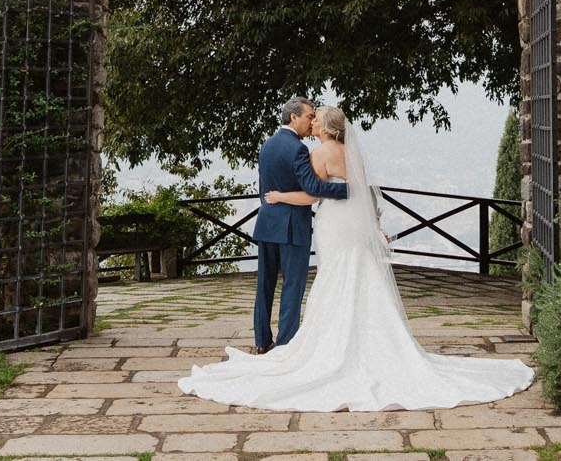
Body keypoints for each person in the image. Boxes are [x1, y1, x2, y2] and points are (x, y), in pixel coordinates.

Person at [178, 106, 533, 410]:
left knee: (328, 277)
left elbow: (313, 194)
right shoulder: (352, 154)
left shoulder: (311, 153)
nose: (312, 122)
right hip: (353, 225)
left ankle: (300, 344)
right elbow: (363, 193)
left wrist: (280, 197)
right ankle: (371, 342)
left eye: (316, 119)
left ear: (325, 127)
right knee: (357, 275)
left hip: (329, 223)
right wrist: (359, 202)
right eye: (309, 117)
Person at [249, 94, 348, 352]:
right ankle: (285, 344)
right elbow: (313, 188)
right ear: (294, 117)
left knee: (265, 285)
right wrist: (348, 191)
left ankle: (261, 341)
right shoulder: (298, 149)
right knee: (292, 285)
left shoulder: (267, 146)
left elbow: (264, 189)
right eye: (308, 116)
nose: (311, 121)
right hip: (293, 225)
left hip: (268, 221)